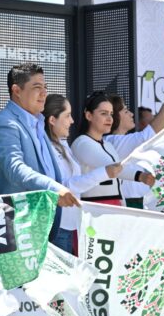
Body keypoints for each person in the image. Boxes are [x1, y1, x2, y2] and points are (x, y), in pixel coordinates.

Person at [0, 63, 79, 220]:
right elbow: (15, 169)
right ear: (17, 91)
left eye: (45, 87)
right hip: (20, 222)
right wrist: (53, 188)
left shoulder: (38, 122)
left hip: (47, 219)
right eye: (37, 87)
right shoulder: (4, 124)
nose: (44, 93)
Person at [43, 94, 121, 253]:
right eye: (67, 116)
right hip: (59, 224)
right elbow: (66, 186)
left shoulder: (64, 145)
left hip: (72, 222)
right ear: (52, 120)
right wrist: (104, 173)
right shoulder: (48, 149)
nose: (72, 121)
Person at [70, 92, 154, 206]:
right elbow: (113, 168)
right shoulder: (82, 143)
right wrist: (140, 176)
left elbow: (117, 171)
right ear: (89, 115)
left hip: (113, 205)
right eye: (103, 113)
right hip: (94, 206)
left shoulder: (108, 144)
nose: (109, 118)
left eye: (111, 114)